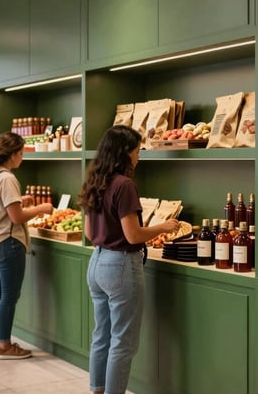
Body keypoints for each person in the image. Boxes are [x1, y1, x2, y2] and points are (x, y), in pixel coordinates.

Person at [78, 125, 179, 394]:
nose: (139, 156)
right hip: (121, 266)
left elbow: (89, 233)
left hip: (97, 262)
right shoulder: (124, 185)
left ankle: (97, 390)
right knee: (123, 343)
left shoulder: (94, 180)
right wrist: (163, 227)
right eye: (137, 150)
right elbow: (133, 235)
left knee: (101, 336)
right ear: (125, 152)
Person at [0, 132, 53, 360]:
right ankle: (5, 346)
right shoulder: (8, 178)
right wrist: (42, 208)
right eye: (21, 153)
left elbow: (3, 207)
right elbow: (16, 216)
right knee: (9, 297)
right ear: (11, 155)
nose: (22, 158)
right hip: (8, 243)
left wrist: (21, 200)